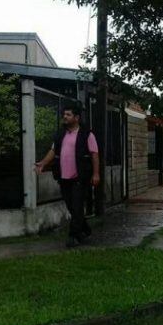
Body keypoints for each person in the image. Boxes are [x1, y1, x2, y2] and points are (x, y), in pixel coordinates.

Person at [35, 105, 100, 248]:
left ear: (77, 118)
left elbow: (95, 154)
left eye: (68, 115)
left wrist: (96, 174)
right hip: (64, 177)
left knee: (77, 207)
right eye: (64, 114)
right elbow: (53, 150)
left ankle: (73, 236)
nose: (65, 117)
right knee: (71, 207)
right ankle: (85, 230)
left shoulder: (87, 134)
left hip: (80, 177)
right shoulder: (60, 134)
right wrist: (43, 163)